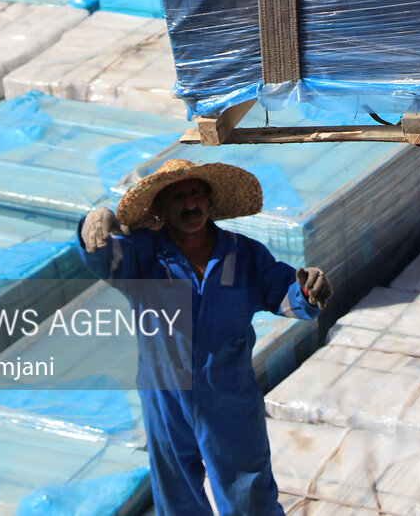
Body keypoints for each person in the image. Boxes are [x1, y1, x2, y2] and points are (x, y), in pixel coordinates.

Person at [77, 158, 332, 515]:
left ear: (210, 202)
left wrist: (308, 290)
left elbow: (284, 292)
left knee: (249, 492)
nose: (190, 203)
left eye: (196, 193)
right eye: (178, 196)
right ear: (162, 209)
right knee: (177, 494)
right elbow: (105, 257)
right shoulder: (145, 255)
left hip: (229, 394)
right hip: (165, 395)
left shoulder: (243, 255)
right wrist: (92, 226)